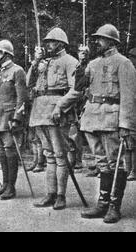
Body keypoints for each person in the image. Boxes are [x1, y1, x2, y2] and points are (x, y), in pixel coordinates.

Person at [79, 24, 136, 223]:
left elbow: (129, 97)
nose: (96, 41)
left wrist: (126, 125)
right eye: (96, 38)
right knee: (102, 162)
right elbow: (78, 86)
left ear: (111, 42)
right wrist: (82, 62)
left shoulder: (124, 63)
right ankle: (102, 204)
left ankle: (114, 206)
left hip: (112, 118)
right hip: (92, 118)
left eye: (100, 38)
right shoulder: (92, 64)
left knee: (114, 162)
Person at [27, 28, 80, 210]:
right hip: (40, 110)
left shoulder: (70, 61)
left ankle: (61, 195)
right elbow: (29, 83)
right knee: (48, 154)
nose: (47, 44)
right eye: (47, 42)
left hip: (57, 112)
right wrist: (35, 62)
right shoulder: (43, 63)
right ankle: (50, 193)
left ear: (60, 43)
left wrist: (60, 106)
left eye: (51, 41)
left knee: (59, 154)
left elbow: (76, 89)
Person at [0, 41, 28, 200]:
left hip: (9, 118)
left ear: (7, 54)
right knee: (1, 151)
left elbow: (22, 98)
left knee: (10, 151)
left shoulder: (17, 71)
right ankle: (4, 184)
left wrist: (17, 119)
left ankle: (11, 187)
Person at [126, 48, 136, 181]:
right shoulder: (128, 72)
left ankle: (133, 170)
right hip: (129, 110)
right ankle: (128, 169)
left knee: (133, 143)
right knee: (128, 142)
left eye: (133, 57)